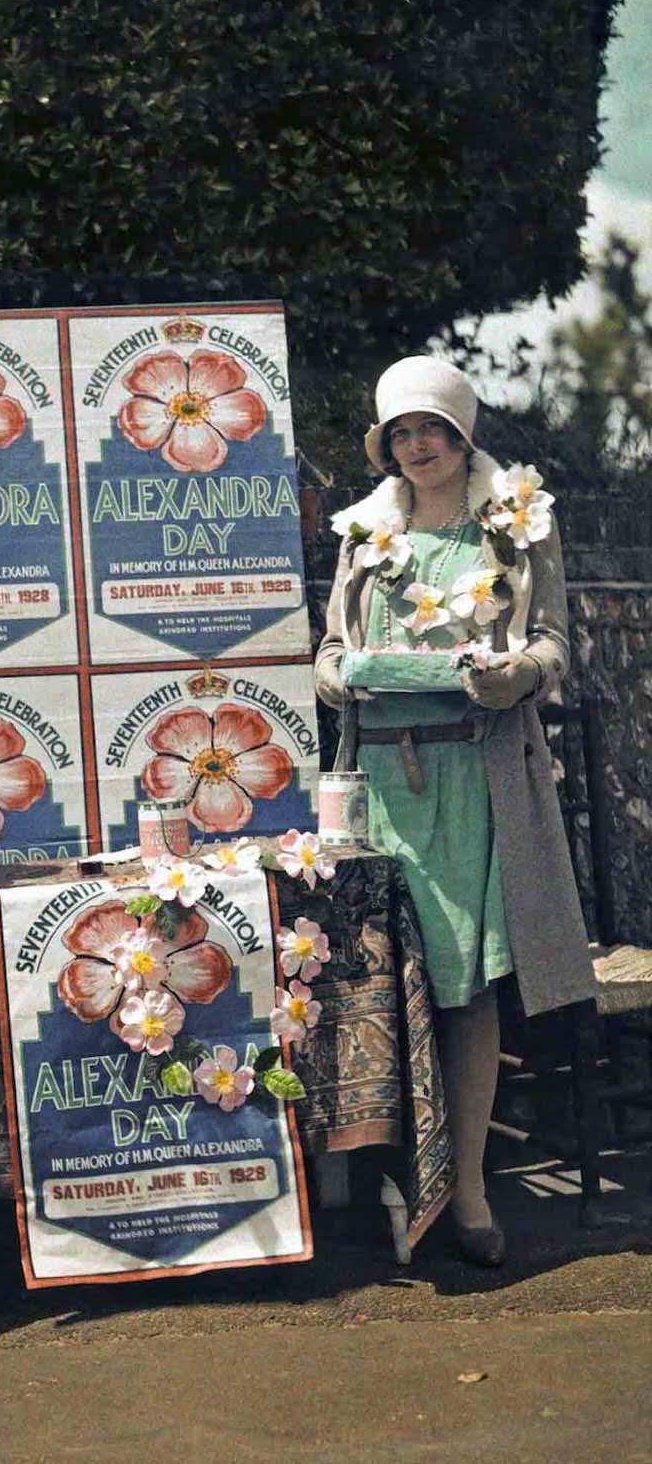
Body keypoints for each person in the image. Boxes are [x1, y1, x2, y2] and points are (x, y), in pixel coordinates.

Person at [314, 357, 594, 1266]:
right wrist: (333, 677)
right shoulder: (363, 532)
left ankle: (468, 1186)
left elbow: (554, 641)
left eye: (433, 428)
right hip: (382, 790)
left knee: (467, 991)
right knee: (384, 983)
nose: (418, 444)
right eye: (402, 432)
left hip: (477, 782)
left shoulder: (517, 523)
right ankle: (389, 1175)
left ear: (463, 436)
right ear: (386, 446)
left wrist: (520, 675)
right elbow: (328, 651)